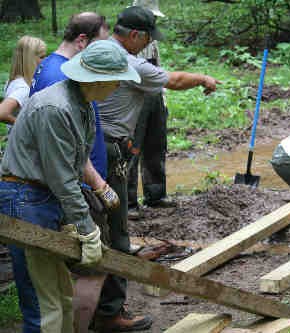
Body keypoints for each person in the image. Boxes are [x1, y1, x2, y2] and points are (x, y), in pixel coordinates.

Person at [0, 40, 139, 333]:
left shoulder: (82, 106)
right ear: (99, 79)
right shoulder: (56, 108)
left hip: (43, 197)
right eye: (116, 80)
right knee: (43, 305)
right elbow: (61, 177)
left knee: (61, 297)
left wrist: (94, 194)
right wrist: (87, 229)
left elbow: (77, 162)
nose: (118, 86)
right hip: (26, 200)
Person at [95, 6, 220, 331]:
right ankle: (110, 313)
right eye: (147, 37)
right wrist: (205, 78)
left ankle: (89, 303)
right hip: (108, 152)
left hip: (90, 145)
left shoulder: (98, 48)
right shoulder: (129, 63)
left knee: (94, 224)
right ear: (135, 35)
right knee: (116, 230)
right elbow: (175, 80)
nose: (148, 44)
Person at [127, 0, 174, 220]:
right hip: (136, 95)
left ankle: (156, 194)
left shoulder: (150, 37)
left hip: (155, 94)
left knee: (156, 146)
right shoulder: (129, 37)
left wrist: (163, 96)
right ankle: (128, 203)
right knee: (132, 150)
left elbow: (157, 66)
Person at [0, 36, 46, 125]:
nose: (45, 60)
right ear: (30, 60)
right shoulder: (23, 89)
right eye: (42, 57)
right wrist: (25, 127)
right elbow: (2, 113)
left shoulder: (14, 81)